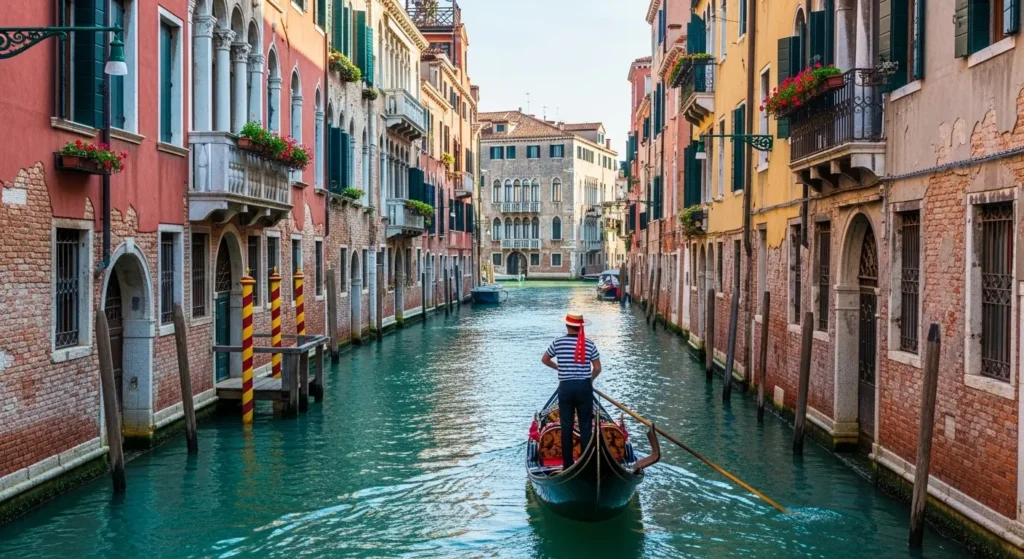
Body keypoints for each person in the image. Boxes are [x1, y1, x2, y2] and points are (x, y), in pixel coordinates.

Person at [541, 312, 602, 469]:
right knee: (586, 426)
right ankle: (586, 463)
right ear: (581, 326)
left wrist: (558, 367)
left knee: (566, 425)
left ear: (567, 325)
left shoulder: (558, 343)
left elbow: (545, 359)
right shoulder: (589, 344)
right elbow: (597, 368)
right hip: (584, 388)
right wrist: (589, 380)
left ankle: (567, 464)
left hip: (566, 388)